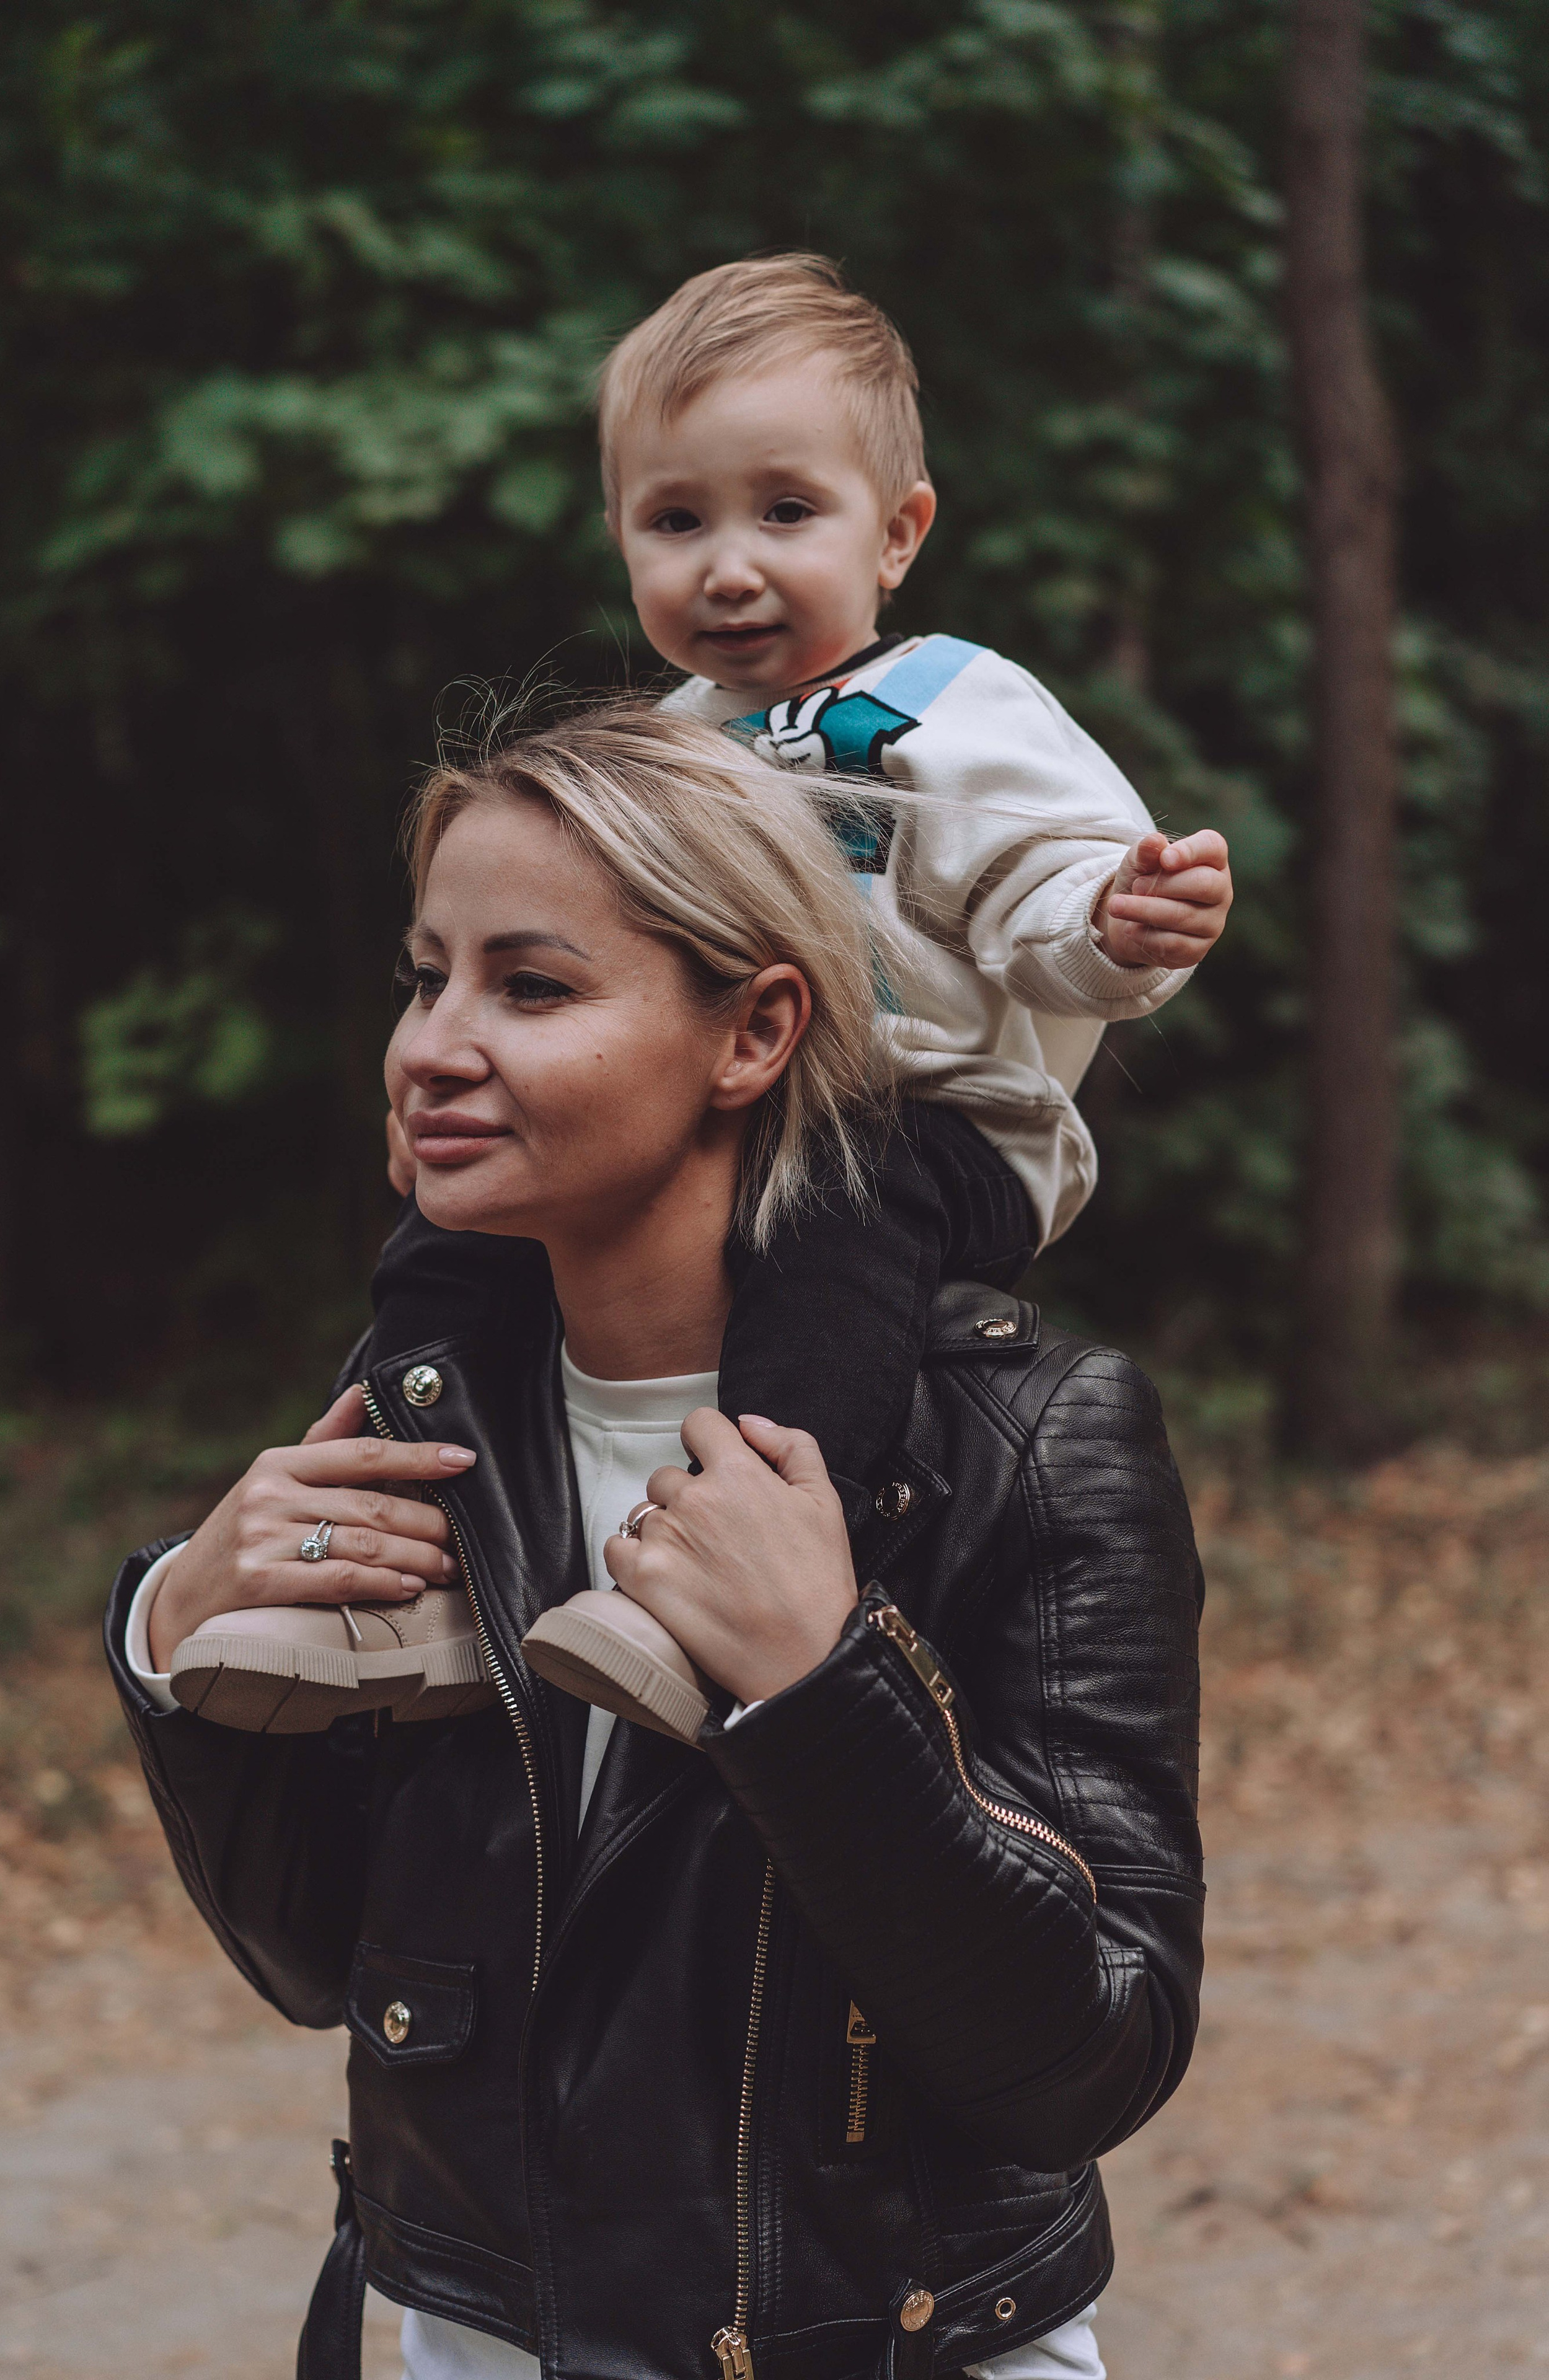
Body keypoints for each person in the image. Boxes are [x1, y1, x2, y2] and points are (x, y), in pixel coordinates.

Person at [107, 704, 1204, 2380]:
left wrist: (821, 1692)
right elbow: (319, 1961)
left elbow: (1088, 2059)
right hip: (481, 2344)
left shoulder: (1025, 1440)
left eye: (530, 988)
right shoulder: (419, 1411)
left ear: (755, 1031)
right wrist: (175, 1636)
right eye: (427, 978)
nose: (433, 1045)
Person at [165, 253, 1230, 1738]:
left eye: (784, 512)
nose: (726, 566)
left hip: (931, 1127)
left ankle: (725, 1575)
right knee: (450, 1247)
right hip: (728, 1119)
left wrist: (1119, 923)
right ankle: (410, 1583)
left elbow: (1047, 900)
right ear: (619, 540)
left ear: (897, 533)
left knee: (833, 1228)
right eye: (676, 521)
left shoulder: (950, 707)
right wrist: (467, 1093)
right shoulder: (663, 749)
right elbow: (569, 962)